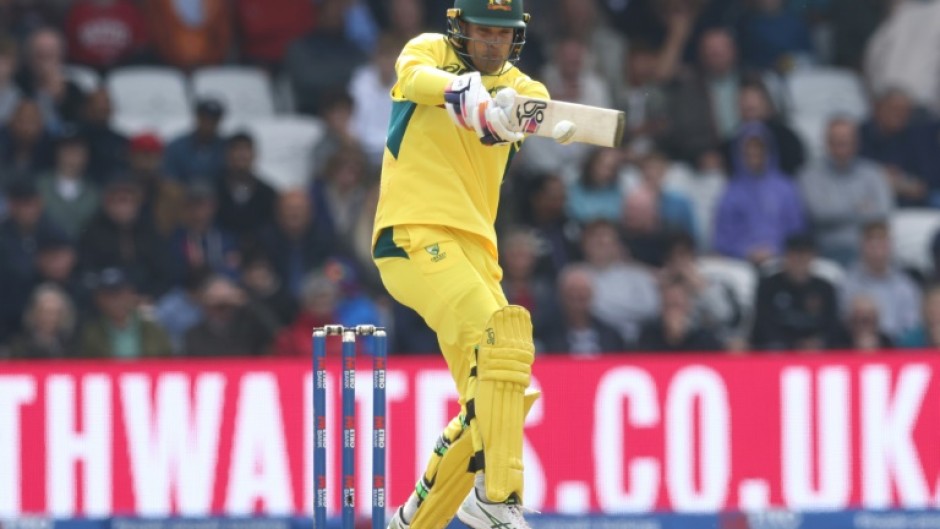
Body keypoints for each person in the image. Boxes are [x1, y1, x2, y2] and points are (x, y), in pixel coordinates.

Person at [371, 1, 568, 527]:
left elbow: (502, 127)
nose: (491, 44)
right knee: (503, 337)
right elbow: (418, 80)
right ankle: (498, 495)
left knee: (505, 393)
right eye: (482, 32)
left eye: (502, 36)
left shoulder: (529, 91)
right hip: (414, 234)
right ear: (459, 27)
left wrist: (499, 116)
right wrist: (469, 97)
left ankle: (417, 519)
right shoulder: (427, 49)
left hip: (476, 252)